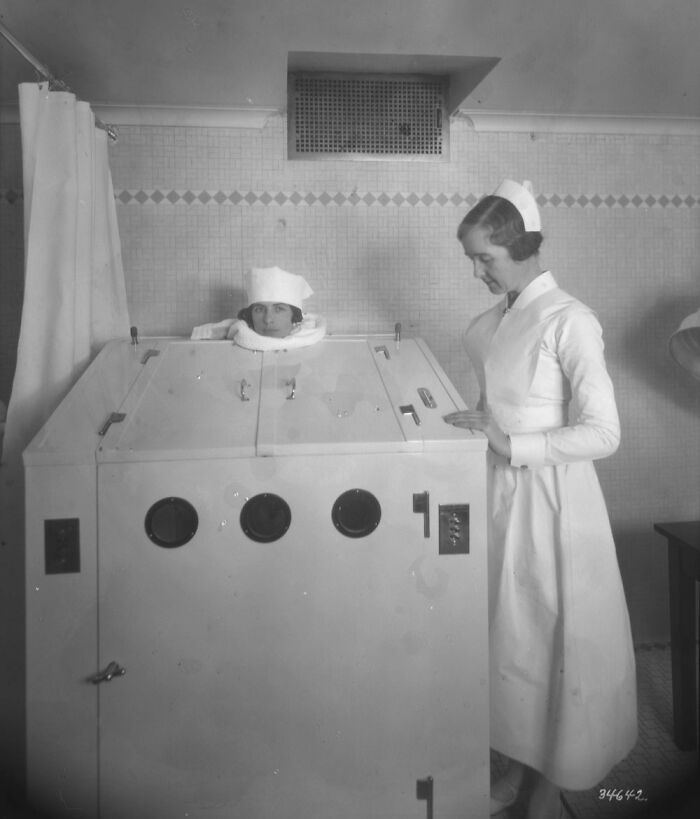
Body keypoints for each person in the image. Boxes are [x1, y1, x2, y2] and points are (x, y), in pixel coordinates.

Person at [444, 180, 637, 818]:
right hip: (498, 492)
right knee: (509, 640)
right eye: (472, 259)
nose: (476, 271)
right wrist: (473, 433)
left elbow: (604, 433)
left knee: (553, 641)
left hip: (553, 499)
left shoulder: (570, 319)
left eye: (484, 258)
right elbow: (492, 405)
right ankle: (513, 768)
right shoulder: (487, 324)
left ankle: (549, 786)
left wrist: (511, 442)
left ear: (520, 247)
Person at [191, 266, 326, 350]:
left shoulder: (315, 345)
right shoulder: (238, 339)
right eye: (259, 309)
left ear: (294, 316)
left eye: (278, 309)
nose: (267, 320)